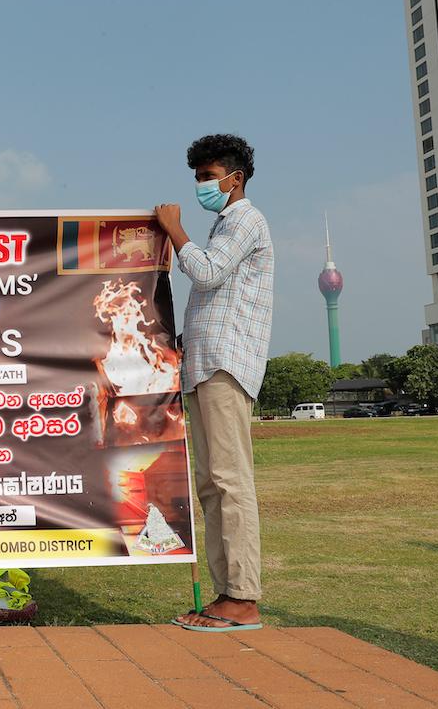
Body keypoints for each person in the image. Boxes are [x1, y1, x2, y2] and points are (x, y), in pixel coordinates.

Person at [153, 133, 273, 633]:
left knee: (229, 482)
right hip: (202, 366)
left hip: (226, 366)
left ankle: (243, 598)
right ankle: (227, 596)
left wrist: (175, 230)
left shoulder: (245, 220)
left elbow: (205, 272)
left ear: (234, 178)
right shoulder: (226, 224)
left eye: (207, 177)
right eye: (198, 177)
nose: (202, 185)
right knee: (211, 484)